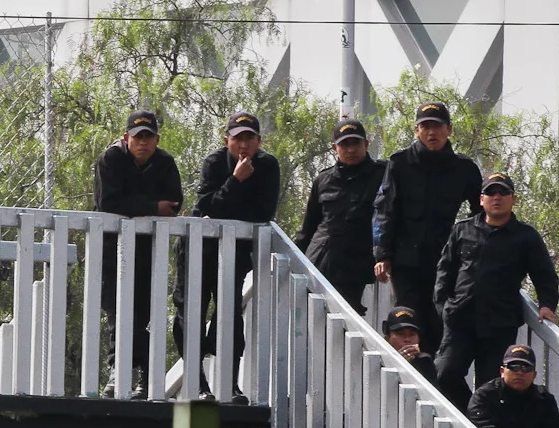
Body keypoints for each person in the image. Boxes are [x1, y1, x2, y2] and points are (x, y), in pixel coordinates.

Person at [175, 110, 280, 401]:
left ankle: (230, 386)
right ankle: (197, 383)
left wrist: (225, 204)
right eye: (237, 139)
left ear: (258, 140)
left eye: (249, 139)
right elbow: (208, 206)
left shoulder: (268, 166)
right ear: (227, 140)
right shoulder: (214, 162)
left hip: (233, 253)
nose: (243, 145)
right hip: (198, 249)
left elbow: (263, 213)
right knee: (190, 313)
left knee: (230, 316)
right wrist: (235, 180)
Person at [433, 171, 559, 405]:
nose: (497, 197)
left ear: (514, 199)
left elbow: (545, 275)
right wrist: (443, 307)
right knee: (444, 373)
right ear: (482, 199)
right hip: (460, 318)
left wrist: (547, 305)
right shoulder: (462, 229)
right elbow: (445, 272)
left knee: (490, 386)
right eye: (491, 192)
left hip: (499, 323)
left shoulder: (526, 236)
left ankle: (479, 423)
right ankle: (470, 414)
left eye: (503, 192)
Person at [372, 100, 481, 359]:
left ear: (449, 130)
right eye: (425, 127)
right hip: (405, 259)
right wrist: (381, 254)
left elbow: (481, 215)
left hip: (445, 261)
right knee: (408, 319)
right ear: (416, 130)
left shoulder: (464, 169)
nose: (431, 132)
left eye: (437, 126)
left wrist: (473, 255)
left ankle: (433, 378)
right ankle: (407, 374)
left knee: (438, 320)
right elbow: (384, 209)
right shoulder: (400, 163)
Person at [93, 109, 183, 398]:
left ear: (157, 139)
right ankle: (117, 373)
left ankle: (145, 376)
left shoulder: (166, 162)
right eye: (137, 137)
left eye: (148, 137)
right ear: (125, 138)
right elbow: (108, 201)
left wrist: (141, 206)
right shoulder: (110, 159)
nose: (142, 142)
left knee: (144, 312)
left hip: (148, 249)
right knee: (117, 311)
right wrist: (153, 207)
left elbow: (175, 203)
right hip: (110, 247)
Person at [295, 116, 385, 314]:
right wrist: (295, 258)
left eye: (356, 143)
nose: (351, 149)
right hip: (322, 260)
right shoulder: (323, 180)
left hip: (356, 264)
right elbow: (309, 226)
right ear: (334, 148)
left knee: (347, 320)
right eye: (344, 144)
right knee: (314, 317)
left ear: (367, 144)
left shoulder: (383, 174)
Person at [468, 344, 559, 428]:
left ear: (534, 375)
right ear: (502, 371)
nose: (519, 372)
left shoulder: (542, 397)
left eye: (526, 368)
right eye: (513, 367)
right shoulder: (485, 395)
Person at [382, 305, 439, 386]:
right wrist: (398, 364)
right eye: (400, 334)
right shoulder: (380, 362)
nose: (407, 339)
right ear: (387, 339)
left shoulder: (424, 361)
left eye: (412, 334)